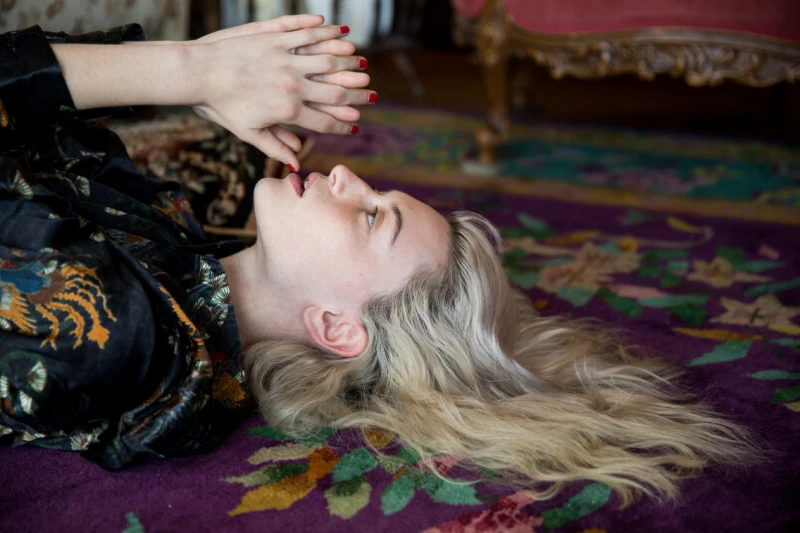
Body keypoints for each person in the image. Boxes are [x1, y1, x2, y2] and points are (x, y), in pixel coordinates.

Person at [0, 16, 754, 502]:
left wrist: (188, 69)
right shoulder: (189, 254)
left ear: (336, 328)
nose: (345, 174)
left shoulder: (114, 334)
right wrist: (206, 84)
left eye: (370, 216)